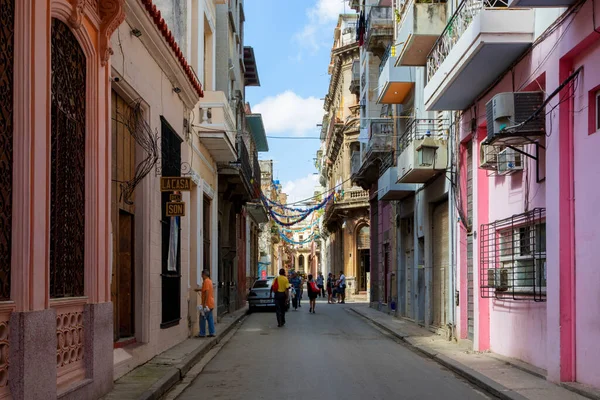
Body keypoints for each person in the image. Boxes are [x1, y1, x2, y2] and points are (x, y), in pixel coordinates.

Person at [195, 269, 215, 337]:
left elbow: (206, 292)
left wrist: (204, 303)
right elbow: (205, 290)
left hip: (207, 304)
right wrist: (199, 290)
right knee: (210, 318)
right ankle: (212, 332)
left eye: (202, 274)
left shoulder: (206, 281)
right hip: (211, 303)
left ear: (204, 275)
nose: (201, 276)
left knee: (202, 318)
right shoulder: (209, 281)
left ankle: (202, 333)